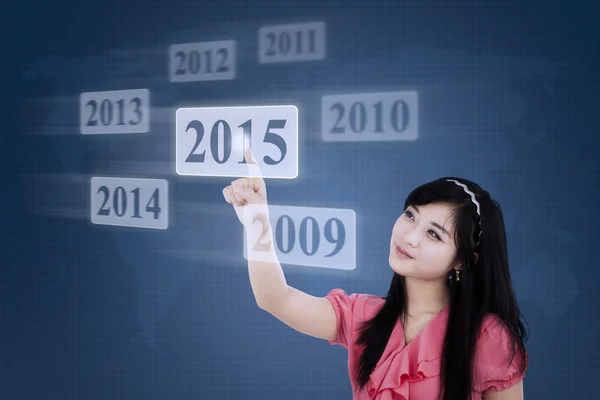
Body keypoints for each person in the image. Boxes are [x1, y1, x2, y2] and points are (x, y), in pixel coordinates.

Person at [222, 148, 528, 400]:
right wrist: (256, 219)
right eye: (410, 216)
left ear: (463, 261)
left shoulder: (489, 338)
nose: (410, 237)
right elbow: (275, 298)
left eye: (434, 234)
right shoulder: (363, 317)